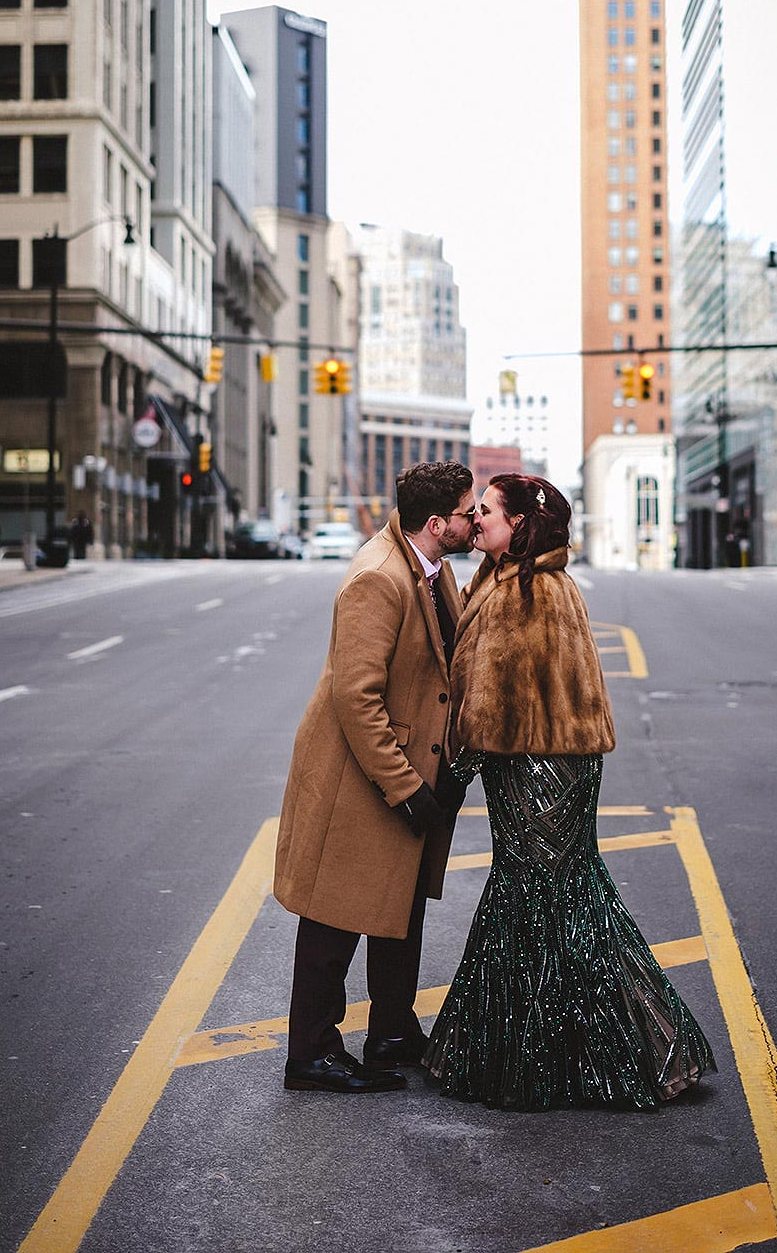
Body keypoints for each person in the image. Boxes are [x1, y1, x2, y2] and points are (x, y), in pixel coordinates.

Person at [423, 474, 716, 1110]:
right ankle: (619, 1048)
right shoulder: (532, 580)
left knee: (536, 902)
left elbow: (492, 702)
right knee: (564, 898)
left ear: (521, 524)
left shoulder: (522, 591)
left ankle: (551, 1060)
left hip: (536, 768)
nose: (477, 518)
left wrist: (453, 776)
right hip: (556, 764)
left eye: (489, 510)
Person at [274, 460, 477, 1095]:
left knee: (401, 909)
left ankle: (391, 1030)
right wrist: (406, 785)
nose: (475, 522)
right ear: (437, 522)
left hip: (406, 770)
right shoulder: (379, 578)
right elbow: (354, 698)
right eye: (470, 514)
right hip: (360, 780)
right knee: (334, 919)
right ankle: (310, 1053)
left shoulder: (430, 566)